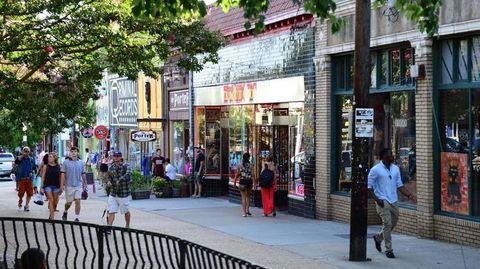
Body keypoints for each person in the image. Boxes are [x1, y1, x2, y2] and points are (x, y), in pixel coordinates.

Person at [369, 148, 416, 259]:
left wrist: (409, 195)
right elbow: (368, 187)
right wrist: (377, 200)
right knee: (388, 223)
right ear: (384, 156)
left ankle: (378, 238)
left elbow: (399, 185)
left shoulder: (395, 169)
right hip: (382, 200)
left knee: (393, 222)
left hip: (393, 200)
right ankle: (388, 249)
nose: (392, 156)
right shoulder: (375, 169)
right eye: (390, 154)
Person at [106, 151, 132, 230]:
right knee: (111, 210)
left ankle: (127, 225)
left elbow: (129, 174)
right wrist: (109, 182)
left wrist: (120, 180)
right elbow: (109, 177)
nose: (116, 157)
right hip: (113, 193)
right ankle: (109, 227)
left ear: (120, 157)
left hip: (123, 193)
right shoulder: (111, 167)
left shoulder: (126, 165)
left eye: (118, 156)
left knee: (125, 211)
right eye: (115, 156)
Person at [61, 147, 87, 222]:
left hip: (78, 185)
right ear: (70, 153)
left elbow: (83, 173)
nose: (73, 153)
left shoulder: (81, 163)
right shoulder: (65, 162)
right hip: (69, 185)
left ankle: (77, 217)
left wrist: (85, 183)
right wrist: (62, 185)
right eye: (72, 151)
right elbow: (62, 174)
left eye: (75, 151)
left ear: (77, 152)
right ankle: (65, 211)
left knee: (78, 201)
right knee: (69, 203)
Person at [40, 153, 62, 220]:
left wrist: (62, 187)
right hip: (47, 185)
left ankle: (51, 213)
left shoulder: (59, 166)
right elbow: (43, 177)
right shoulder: (46, 166)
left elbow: (61, 177)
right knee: (51, 200)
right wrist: (41, 187)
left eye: (50, 157)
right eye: (48, 157)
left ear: (54, 158)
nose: (49, 158)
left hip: (56, 185)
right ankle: (52, 217)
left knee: (55, 202)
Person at [13, 147, 35, 212]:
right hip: (21, 178)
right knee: (21, 193)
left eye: (28, 151)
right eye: (25, 151)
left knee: (30, 193)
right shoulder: (19, 158)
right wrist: (22, 156)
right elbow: (16, 162)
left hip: (29, 178)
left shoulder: (31, 159)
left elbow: (33, 168)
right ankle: (20, 200)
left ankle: (27, 205)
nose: (26, 153)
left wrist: (31, 172)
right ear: (23, 152)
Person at [234, 152, 255, 217]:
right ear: (249, 158)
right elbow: (253, 175)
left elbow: (237, 175)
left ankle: (244, 213)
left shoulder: (240, 165)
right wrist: (254, 183)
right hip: (249, 181)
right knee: (248, 197)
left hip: (242, 181)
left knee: (243, 197)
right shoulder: (251, 165)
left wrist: (234, 182)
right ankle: (247, 210)